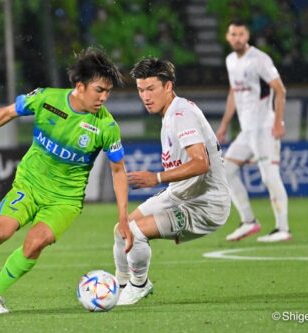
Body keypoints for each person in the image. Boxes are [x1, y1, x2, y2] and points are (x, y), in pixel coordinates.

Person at [0, 48, 133, 314]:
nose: (104, 98)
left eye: (108, 92)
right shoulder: (47, 98)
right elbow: (6, 113)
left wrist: (123, 217)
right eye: (99, 90)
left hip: (65, 200)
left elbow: (118, 171)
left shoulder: (107, 127)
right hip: (29, 184)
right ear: (80, 86)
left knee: (36, 242)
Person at [113, 58, 231, 306]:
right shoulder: (170, 114)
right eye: (140, 90)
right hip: (180, 194)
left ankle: (139, 285)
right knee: (122, 229)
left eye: (151, 89)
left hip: (205, 204)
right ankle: (120, 285)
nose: (145, 96)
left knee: (135, 231)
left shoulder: (181, 114)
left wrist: (155, 178)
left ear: (168, 87)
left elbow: (201, 163)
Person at [216, 20, 291, 243]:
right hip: (247, 132)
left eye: (241, 34)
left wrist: (278, 122)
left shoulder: (259, 59)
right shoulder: (230, 61)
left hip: (265, 127)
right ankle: (249, 221)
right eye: (233, 34)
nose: (237, 38)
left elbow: (280, 89)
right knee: (226, 170)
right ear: (228, 37)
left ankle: (283, 228)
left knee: (269, 177)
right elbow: (233, 93)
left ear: (247, 36)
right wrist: (224, 125)